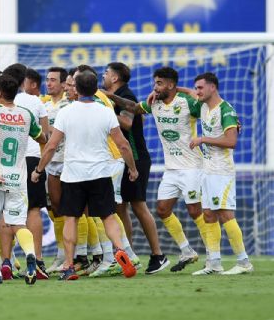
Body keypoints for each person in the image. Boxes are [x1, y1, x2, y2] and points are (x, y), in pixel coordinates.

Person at [32, 71, 139, 281]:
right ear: (95, 89)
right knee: (108, 216)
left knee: (71, 218)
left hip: (73, 174)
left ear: (77, 89)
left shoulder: (66, 112)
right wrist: (133, 169)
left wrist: (38, 170)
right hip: (100, 172)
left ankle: (69, 266)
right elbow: (123, 144)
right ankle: (120, 251)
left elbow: (52, 145)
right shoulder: (105, 112)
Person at [108, 67, 209, 273]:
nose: (155, 87)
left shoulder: (186, 102)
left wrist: (182, 89)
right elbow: (135, 108)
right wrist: (108, 97)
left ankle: (213, 256)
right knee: (162, 209)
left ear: (171, 85)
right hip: (171, 168)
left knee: (194, 210)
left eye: (160, 83)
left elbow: (205, 103)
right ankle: (186, 250)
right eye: (155, 83)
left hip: (192, 166)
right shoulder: (154, 103)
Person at [0, 74, 47, 285]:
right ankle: (30, 254)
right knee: (18, 223)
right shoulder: (26, 114)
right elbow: (42, 137)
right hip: (18, 176)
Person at [103, 62, 169, 274]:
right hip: (122, 158)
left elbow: (128, 123)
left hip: (135, 158)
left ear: (115, 78)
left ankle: (158, 255)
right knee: (121, 208)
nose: (103, 76)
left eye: (106, 73)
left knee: (139, 205)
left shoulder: (126, 95)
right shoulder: (116, 96)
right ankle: (125, 254)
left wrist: (103, 112)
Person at [188, 73, 253, 275]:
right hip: (207, 171)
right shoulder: (204, 106)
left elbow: (231, 142)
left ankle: (244, 262)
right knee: (208, 215)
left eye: (200, 88)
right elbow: (190, 93)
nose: (197, 92)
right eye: (196, 88)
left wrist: (203, 139)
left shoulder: (226, 110)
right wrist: (179, 90)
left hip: (221, 171)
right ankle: (214, 263)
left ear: (212, 88)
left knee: (225, 214)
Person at [41, 67, 71, 273]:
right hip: (51, 161)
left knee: (76, 209)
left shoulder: (69, 105)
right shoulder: (43, 105)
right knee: (55, 208)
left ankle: (83, 254)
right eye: (47, 79)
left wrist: (52, 131)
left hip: (69, 161)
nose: (49, 83)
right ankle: (62, 254)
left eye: (53, 80)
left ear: (63, 84)